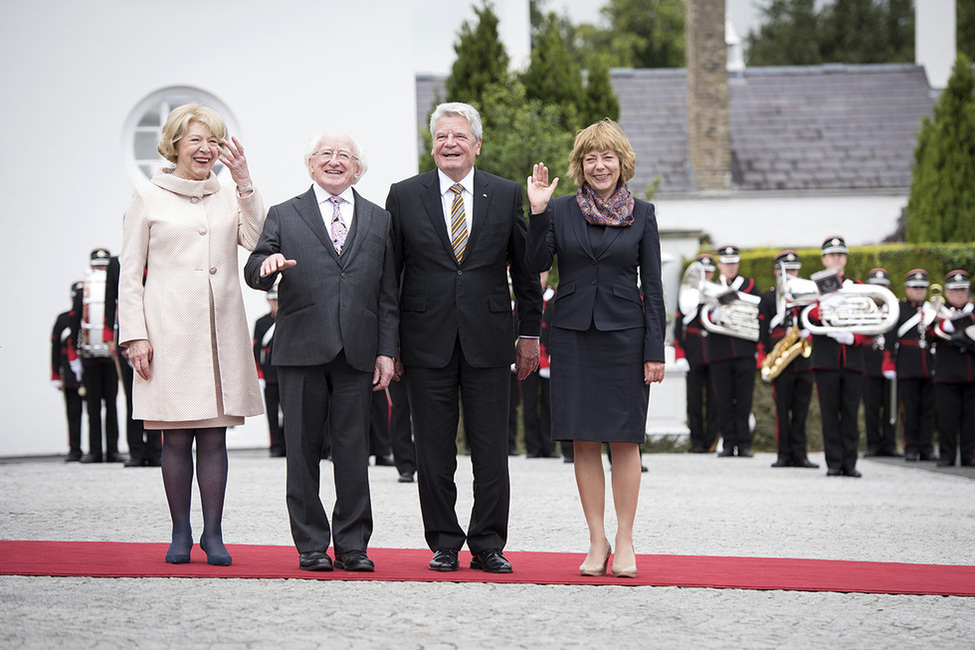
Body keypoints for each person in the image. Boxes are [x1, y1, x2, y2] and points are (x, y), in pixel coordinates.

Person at [386, 102, 542, 574]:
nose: (449, 144)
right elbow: (390, 276)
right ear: (432, 146)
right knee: (433, 451)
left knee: (491, 449)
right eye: (440, 137)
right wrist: (388, 346)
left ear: (477, 144)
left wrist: (530, 333)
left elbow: (527, 269)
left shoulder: (504, 192)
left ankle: (489, 542)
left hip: (490, 341)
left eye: (458, 136)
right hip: (424, 341)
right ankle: (444, 542)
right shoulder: (404, 195)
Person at [119, 104, 265, 566]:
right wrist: (134, 336)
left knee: (215, 437)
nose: (206, 150)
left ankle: (214, 533)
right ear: (175, 144)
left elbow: (258, 239)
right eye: (196, 140)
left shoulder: (228, 194)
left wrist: (244, 181)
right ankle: (180, 532)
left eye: (214, 141)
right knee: (176, 437)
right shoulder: (147, 195)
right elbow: (129, 275)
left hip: (220, 332)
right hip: (168, 333)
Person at [245, 131, 398, 573]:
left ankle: (353, 544)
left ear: (357, 168)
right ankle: (311, 544)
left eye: (344, 155)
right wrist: (265, 267)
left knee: (354, 452)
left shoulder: (379, 219)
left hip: (357, 352)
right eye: (325, 154)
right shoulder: (284, 214)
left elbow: (389, 293)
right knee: (302, 450)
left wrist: (387, 351)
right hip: (300, 350)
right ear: (311, 164)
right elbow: (255, 265)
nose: (335, 161)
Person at [526, 118, 666, 578]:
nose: (599, 165)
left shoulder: (643, 213)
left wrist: (655, 349)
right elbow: (535, 266)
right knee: (583, 439)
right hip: (571, 333)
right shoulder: (561, 210)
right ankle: (596, 539)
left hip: (626, 335)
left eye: (607, 157)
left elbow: (655, 287)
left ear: (621, 162)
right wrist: (538, 212)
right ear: (580, 165)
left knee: (625, 440)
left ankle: (625, 540)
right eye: (590, 158)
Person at [807, 235, 865, 477]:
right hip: (825, 359)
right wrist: (821, 310)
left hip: (851, 359)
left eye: (840, 254)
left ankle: (850, 464)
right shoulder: (812, 286)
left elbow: (870, 318)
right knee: (829, 414)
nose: (836, 258)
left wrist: (853, 338)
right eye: (831, 255)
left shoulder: (859, 285)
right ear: (823, 259)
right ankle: (833, 463)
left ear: (845, 258)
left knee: (851, 414)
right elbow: (806, 315)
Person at [757, 250, 818, 468]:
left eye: (794, 269)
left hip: (802, 358)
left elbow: (815, 321)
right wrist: (764, 359)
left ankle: (800, 454)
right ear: (777, 272)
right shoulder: (767, 297)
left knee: (802, 410)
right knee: (782, 410)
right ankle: (783, 454)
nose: (791, 273)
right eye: (786, 270)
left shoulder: (807, 294)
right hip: (780, 360)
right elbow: (762, 331)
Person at [105, 254, 161, 468]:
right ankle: (136, 451)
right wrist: (109, 337)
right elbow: (111, 300)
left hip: (157, 332)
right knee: (132, 396)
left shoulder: (159, 255)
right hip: (128, 336)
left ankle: (156, 451)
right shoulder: (117, 263)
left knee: (156, 394)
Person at [72, 248, 123, 464]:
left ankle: (112, 450)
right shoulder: (84, 289)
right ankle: (94, 451)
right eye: (97, 265)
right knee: (93, 406)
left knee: (111, 404)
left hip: (110, 355)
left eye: (104, 265)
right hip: (91, 356)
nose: (101, 269)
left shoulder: (116, 284)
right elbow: (77, 321)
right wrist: (76, 354)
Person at [708, 245, 760, 458]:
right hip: (720, 352)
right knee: (723, 399)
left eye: (733, 263)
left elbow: (758, 314)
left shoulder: (749, 286)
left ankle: (744, 443)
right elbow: (700, 316)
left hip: (744, 351)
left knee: (744, 399)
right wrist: (714, 312)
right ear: (720, 264)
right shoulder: (711, 288)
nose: (730, 267)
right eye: (726, 263)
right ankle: (729, 443)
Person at [673, 253, 719, 454]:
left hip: (714, 351)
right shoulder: (687, 293)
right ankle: (697, 441)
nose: (707, 275)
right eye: (703, 271)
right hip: (693, 351)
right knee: (693, 400)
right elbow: (678, 326)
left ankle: (712, 441)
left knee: (714, 399)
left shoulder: (717, 290)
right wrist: (680, 354)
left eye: (709, 271)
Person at [929, 270, 975, 467]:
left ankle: (969, 455)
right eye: (955, 290)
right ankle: (946, 455)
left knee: (971, 419)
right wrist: (944, 326)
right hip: (946, 373)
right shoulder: (937, 311)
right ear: (947, 292)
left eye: (963, 290)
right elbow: (927, 335)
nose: (959, 294)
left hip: (971, 373)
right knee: (947, 417)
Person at [892, 270, 938, 462]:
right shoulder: (900, 309)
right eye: (915, 287)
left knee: (928, 411)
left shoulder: (933, 309)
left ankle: (926, 447)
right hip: (907, 366)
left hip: (929, 365)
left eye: (922, 287)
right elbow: (891, 336)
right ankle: (911, 447)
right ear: (907, 288)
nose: (919, 291)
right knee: (909, 410)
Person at [861, 268, 902, 458]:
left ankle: (889, 444)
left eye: (882, 287)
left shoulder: (894, 309)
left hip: (890, 364)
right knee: (871, 408)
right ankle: (873, 445)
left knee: (890, 406)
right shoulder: (862, 307)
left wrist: (891, 359)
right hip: (869, 363)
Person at [522, 271, 557, 458]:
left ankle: (548, 446)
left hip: (548, 358)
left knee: (548, 404)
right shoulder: (525, 296)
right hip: (527, 357)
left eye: (542, 272)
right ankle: (532, 447)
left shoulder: (554, 298)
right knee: (529, 403)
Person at [52, 281, 85, 462]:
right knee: (73, 413)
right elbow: (55, 349)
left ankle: (102, 449)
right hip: (71, 375)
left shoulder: (93, 318)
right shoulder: (63, 319)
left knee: (97, 413)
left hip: (90, 372)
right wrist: (55, 375)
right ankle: (75, 449)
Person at [253, 286, 285, 457]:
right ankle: (276, 446)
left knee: (290, 413)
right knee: (272, 414)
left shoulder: (288, 319)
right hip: (270, 376)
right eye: (273, 300)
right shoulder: (262, 323)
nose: (276, 304)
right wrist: (259, 375)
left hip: (287, 375)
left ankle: (288, 445)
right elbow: (256, 349)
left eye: (278, 300)